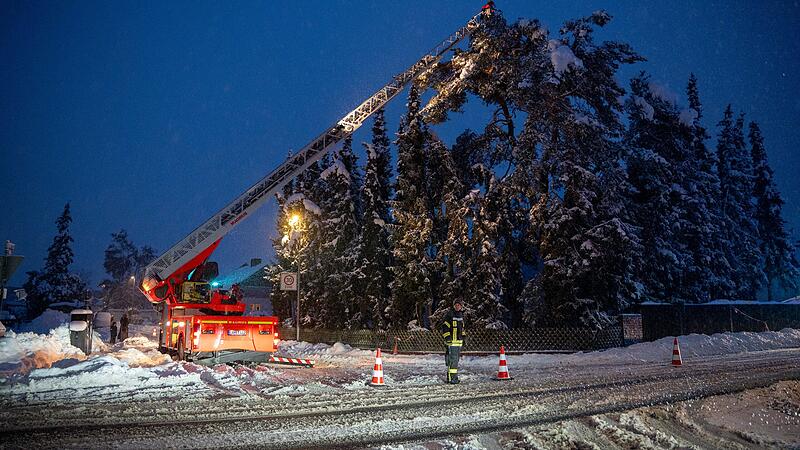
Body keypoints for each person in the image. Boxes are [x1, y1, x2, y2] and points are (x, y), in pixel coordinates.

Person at [440, 299, 466, 384]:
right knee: (453, 361)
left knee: (451, 360)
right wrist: (447, 337)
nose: (457, 306)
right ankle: (453, 379)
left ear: (461, 306)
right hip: (452, 342)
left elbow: (462, 329)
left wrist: (464, 338)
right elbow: (445, 327)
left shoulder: (461, 315)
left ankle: (449, 378)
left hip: (458, 342)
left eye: (459, 305)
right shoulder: (450, 314)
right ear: (454, 305)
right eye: (456, 305)